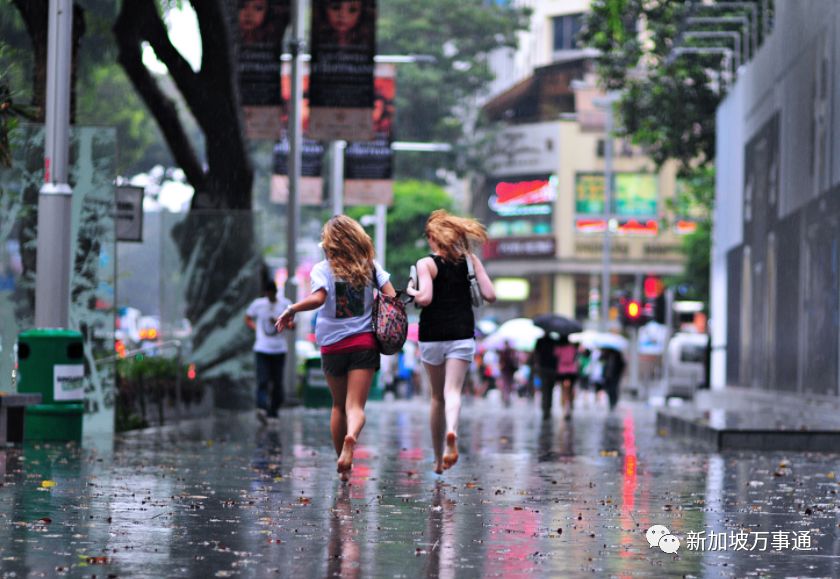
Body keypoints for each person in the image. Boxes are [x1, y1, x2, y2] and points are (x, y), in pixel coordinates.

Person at [275, 215, 396, 481]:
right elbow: (391, 296)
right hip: (364, 343)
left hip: (332, 345)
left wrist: (292, 308)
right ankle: (352, 437)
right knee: (356, 407)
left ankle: (343, 466)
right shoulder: (370, 267)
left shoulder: (323, 269)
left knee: (338, 406)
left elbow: (318, 298)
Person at [406, 210, 496, 474]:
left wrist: (411, 290)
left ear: (434, 238)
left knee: (436, 398)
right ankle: (452, 432)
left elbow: (424, 299)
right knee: (453, 392)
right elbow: (490, 294)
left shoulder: (426, 264)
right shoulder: (470, 260)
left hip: (432, 335)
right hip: (462, 334)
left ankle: (437, 460)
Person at [245, 281, 291, 424]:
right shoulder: (258, 304)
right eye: (268, 293)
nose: (271, 296)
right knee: (262, 380)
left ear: (276, 292)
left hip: (279, 349)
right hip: (262, 348)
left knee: (277, 383)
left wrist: (280, 321)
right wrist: (255, 328)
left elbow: (292, 325)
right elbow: (247, 317)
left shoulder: (285, 304)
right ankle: (262, 408)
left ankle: (273, 412)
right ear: (266, 293)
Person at [534, 333, 559, 420]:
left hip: (545, 368)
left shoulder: (540, 341)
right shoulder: (553, 341)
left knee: (546, 389)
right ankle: (547, 408)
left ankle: (546, 408)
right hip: (549, 368)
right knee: (549, 389)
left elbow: (536, 354)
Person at [554, 335, 579, 420]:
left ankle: (565, 408)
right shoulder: (573, 348)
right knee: (570, 389)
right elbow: (575, 358)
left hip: (562, 372)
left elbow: (556, 356)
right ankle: (570, 405)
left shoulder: (559, 348)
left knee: (564, 390)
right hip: (572, 372)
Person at [498, 341, 519, 406]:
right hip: (509, 371)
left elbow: (501, 362)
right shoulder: (511, 352)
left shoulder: (504, 352)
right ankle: (507, 397)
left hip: (507, 370)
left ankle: (506, 397)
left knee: (506, 384)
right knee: (508, 384)